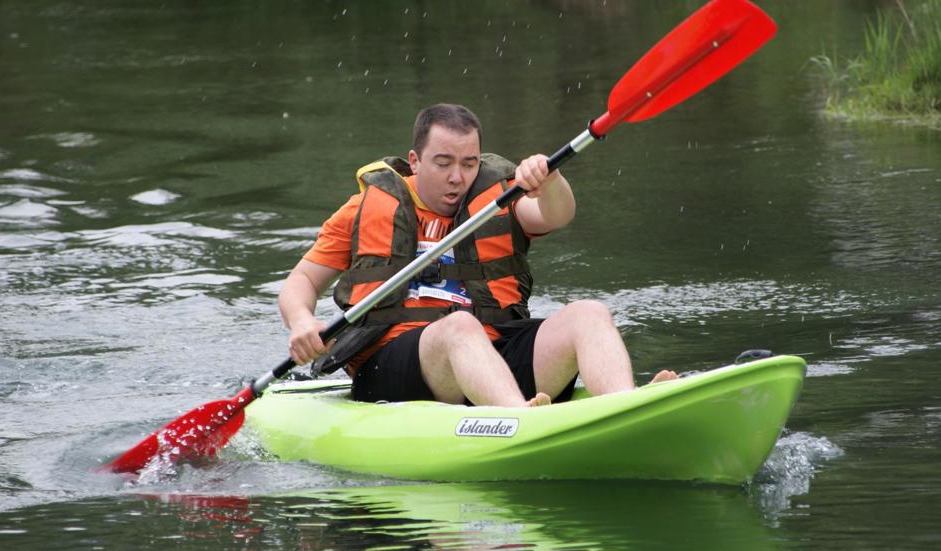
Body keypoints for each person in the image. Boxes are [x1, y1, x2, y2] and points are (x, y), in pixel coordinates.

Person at [279, 103, 675, 408]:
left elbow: (558, 213)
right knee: (460, 327)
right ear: (415, 161)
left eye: (469, 163)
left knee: (589, 313)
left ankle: (626, 405)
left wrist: (550, 179)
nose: (457, 177)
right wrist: (301, 321)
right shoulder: (363, 209)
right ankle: (519, 421)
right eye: (443, 163)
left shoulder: (499, 199)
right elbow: (302, 282)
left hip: (495, 354)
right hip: (394, 366)